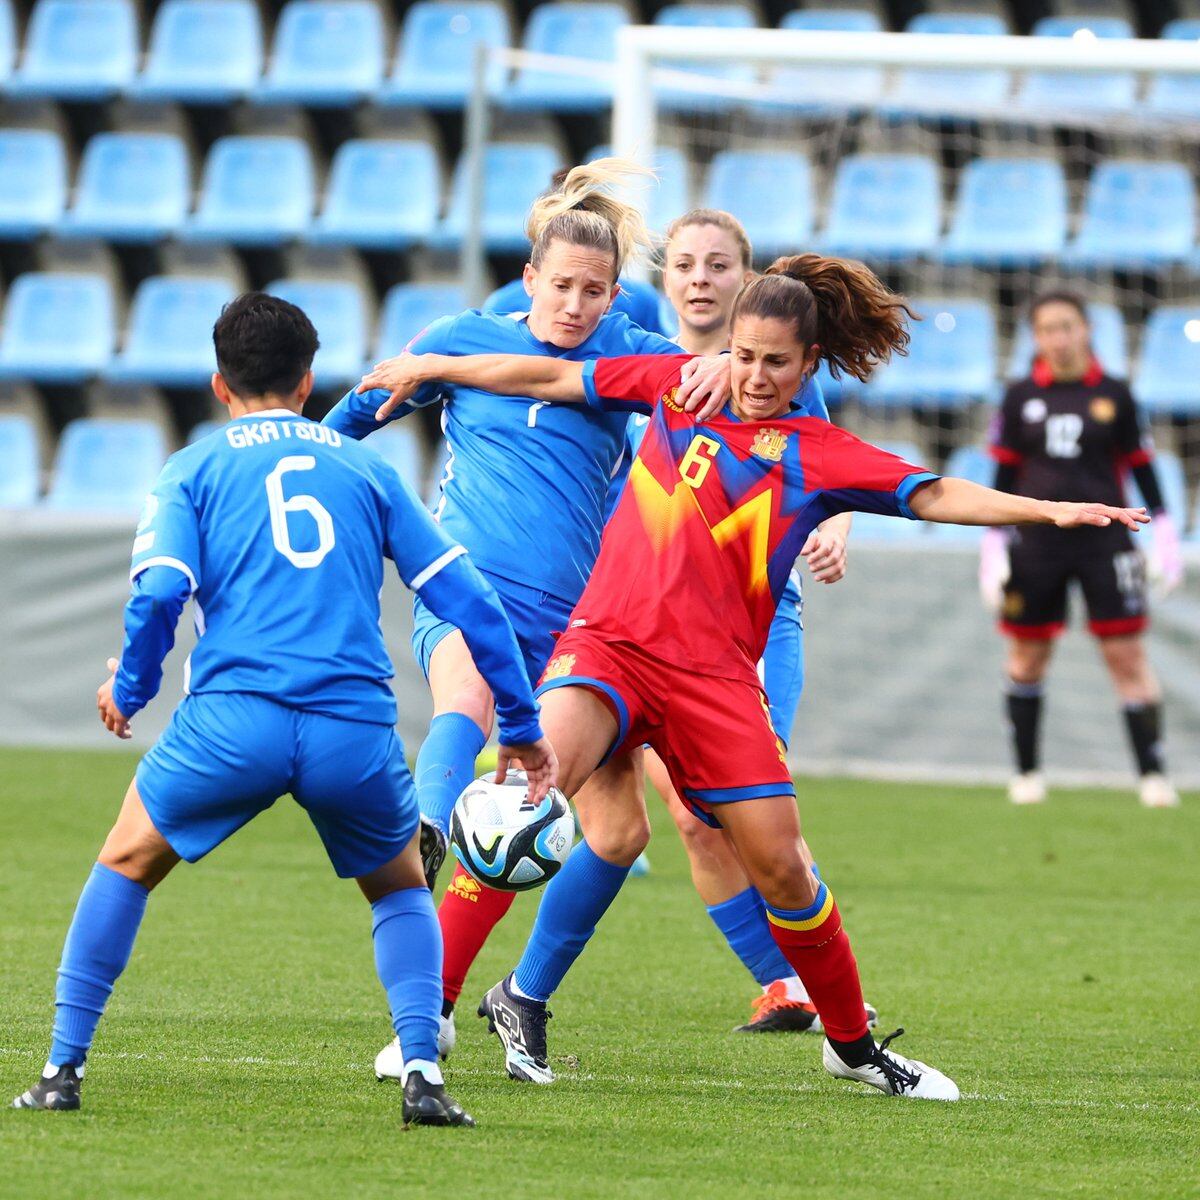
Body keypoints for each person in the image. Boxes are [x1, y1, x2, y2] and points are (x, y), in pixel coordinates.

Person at [366, 254, 1148, 1101]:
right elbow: (546, 374)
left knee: (785, 869)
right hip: (607, 650)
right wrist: (435, 365)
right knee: (523, 803)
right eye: (744, 355)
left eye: (778, 361)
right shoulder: (674, 385)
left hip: (715, 682)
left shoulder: (820, 453)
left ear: (808, 365)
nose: (757, 375)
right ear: (724, 347)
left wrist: (1051, 509)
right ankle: (426, 1019)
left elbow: (934, 495)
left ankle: (851, 1047)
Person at [11, 294, 555, 1126]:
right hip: (351, 726)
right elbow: (470, 601)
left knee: (126, 862)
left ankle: (60, 1070)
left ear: (219, 384)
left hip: (234, 722)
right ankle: (422, 1075)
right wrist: (519, 724)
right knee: (403, 893)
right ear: (308, 381)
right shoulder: (366, 468)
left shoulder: (191, 468)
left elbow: (160, 590)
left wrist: (129, 691)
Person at [323, 159, 728, 1070]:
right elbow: (342, 423)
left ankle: (525, 994)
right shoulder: (463, 336)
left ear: (617, 293)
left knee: (620, 833)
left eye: (594, 290)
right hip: (469, 588)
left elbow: (735, 385)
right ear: (529, 277)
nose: (575, 305)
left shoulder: (634, 355)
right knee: (465, 706)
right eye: (561, 286)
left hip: (582, 627)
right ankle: (422, 841)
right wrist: (298, 453)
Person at [628, 209, 866, 1035]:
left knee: (737, 814)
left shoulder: (772, 369)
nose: (699, 277)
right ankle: (788, 984)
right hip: (640, 625)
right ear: (663, 279)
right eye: (684, 263)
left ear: (747, 281)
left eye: (718, 265)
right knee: (686, 818)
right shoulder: (631, 350)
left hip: (748, 631)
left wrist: (834, 529)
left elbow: (828, 472)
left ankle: (825, 987)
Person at [980, 290, 1183, 808]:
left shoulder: (1115, 393)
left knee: (1126, 655)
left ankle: (1153, 776)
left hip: (1106, 543)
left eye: (1068, 326)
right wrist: (994, 539)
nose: (1059, 338)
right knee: (1026, 655)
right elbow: (1002, 475)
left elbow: (1140, 465)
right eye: (1047, 328)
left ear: (1086, 330)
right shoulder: (1019, 394)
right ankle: (1026, 774)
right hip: (1037, 542)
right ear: (1036, 336)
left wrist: (1162, 530)